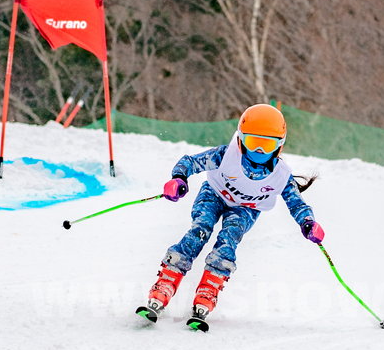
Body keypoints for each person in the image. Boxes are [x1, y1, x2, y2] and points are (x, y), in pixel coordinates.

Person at [136, 103, 324, 328]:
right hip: (214, 195)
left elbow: (297, 203)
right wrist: (179, 178)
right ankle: (164, 285)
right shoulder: (225, 156)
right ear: (241, 139)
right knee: (200, 230)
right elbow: (190, 162)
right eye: (254, 143)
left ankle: (207, 292)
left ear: (279, 146)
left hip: (246, 209)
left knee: (229, 239)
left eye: (267, 145)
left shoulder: (280, 176)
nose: (259, 152)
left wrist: (308, 222)